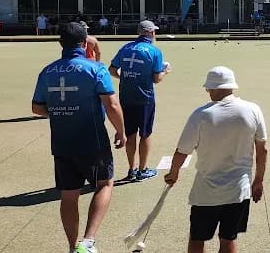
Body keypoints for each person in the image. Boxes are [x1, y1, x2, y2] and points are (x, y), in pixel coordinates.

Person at [31, 22, 126, 253]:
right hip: (92, 140)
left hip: (62, 143)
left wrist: (60, 111)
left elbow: (37, 107)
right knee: (104, 184)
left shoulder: (47, 71)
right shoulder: (96, 69)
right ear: (85, 43)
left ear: (60, 43)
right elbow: (112, 105)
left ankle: (72, 247)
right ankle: (89, 240)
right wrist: (121, 132)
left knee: (68, 194)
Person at [164, 66, 267, 253]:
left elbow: (182, 152)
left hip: (206, 194)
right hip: (238, 192)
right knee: (228, 240)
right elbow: (262, 150)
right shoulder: (253, 110)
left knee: (197, 240)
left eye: (208, 88)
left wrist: (173, 173)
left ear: (214, 88)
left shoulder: (201, 115)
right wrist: (258, 180)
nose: (207, 92)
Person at [108, 20, 169, 181]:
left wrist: (125, 78)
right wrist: (166, 71)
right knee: (145, 134)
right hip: (145, 97)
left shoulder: (125, 48)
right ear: (151, 33)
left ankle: (132, 169)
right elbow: (156, 79)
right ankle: (142, 170)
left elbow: (112, 70)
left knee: (130, 133)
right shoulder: (154, 51)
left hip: (126, 97)